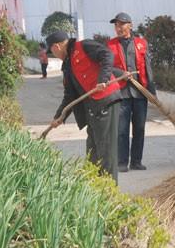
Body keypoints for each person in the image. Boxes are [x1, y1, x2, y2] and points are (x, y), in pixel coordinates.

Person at [47, 30, 125, 183]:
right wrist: (59, 117)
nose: (54, 54)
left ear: (56, 47)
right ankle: (94, 190)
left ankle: (111, 194)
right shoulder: (67, 65)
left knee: (106, 151)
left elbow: (107, 55)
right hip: (92, 108)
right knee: (92, 152)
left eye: (52, 52)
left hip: (106, 102)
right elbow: (70, 95)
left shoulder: (83, 46)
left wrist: (103, 79)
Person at [107, 12, 156, 172]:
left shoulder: (141, 43)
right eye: (116, 25)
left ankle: (136, 161)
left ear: (130, 25)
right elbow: (106, 68)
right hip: (121, 93)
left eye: (122, 24)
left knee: (139, 128)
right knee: (121, 129)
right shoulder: (110, 45)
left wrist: (152, 92)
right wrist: (121, 74)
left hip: (140, 92)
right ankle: (122, 162)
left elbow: (147, 68)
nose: (118, 28)